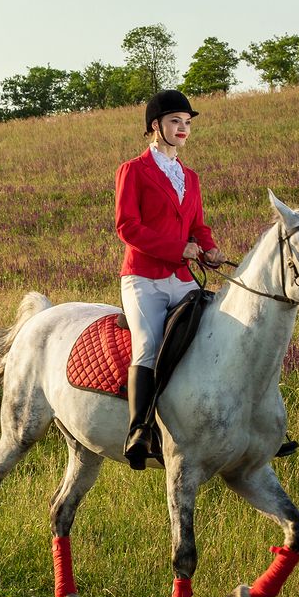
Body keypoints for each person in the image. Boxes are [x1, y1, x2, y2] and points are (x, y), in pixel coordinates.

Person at [113, 89, 223, 469]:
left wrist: (208, 248)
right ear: (155, 127)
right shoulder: (133, 170)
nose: (183, 129)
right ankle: (139, 430)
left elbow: (198, 225)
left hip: (182, 278)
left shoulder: (190, 177)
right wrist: (179, 249)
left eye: (187, 123)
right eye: (176, 121)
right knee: (147, 344)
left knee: (215, 332)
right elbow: (128, 227)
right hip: (144, 278)